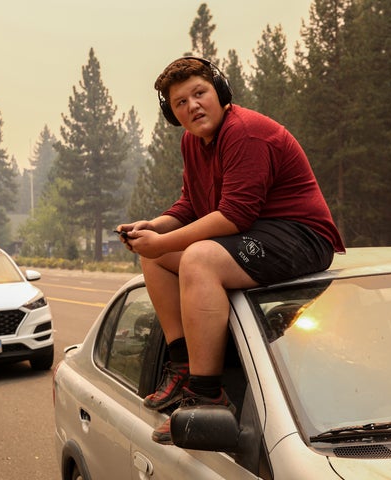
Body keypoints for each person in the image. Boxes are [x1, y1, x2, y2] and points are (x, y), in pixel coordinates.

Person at [116, 57, 345, 445]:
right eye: (180, 103)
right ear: (173, 115)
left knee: (198, 257)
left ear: (220, 93)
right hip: (256, 235)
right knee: (152, 254)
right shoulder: (192, 141)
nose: (192, 106)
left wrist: (166, 240)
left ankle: (207, 398)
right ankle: (183, 364)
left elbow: (234, 216)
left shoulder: (245, 133)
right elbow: (191, 204)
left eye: (199, 93)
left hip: (301, 237)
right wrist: (154, 228)